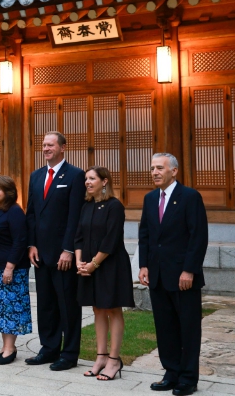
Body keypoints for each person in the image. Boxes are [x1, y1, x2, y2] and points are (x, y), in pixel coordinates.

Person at [139, 153, 208, 396]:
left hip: (183, 276)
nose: (155, 172)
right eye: (152, 168)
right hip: (157, 274)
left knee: (188, 328)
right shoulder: (149, 199)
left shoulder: (189, 197)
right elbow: (145, 234)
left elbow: (198, 237)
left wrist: (189, 269)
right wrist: (144, 265)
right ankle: (171, 372)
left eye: (160, 168)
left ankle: (188, 378)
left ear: (174, 171)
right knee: (165, 327)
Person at [25, 131, 85, 371]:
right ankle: (48, 349)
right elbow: (31, 213)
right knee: (46, 304)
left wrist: (68, 249)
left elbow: (75, 216)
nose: (46, 148)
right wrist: (31, 244)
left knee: (68, 306)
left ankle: (69, 354)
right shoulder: (36, 176)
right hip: (40, 254)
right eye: (44, 145)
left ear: (63, 148)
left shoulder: (75, 175)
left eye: (51, 145)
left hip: (63, 255)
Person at [75, 166, 134, 381]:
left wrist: (94, 264)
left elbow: (111, 240)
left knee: (112, 309)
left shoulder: (114, 206)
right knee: (97, 308)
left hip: (110, 265)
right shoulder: (86, 206)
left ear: (105, 181)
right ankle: (101, 357)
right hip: (88, 265)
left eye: (92, 179)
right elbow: (78, 236)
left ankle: (114, 360)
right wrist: (79, 262)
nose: (87, 182)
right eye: (86, 179)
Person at [0, 175, 32, 365]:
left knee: (11, 308)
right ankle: (5, 346)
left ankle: (10, 348)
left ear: (8, 192)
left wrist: (9, 267)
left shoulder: (14, 211)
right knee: (1, 308)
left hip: (11, 268)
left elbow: (20, 241)